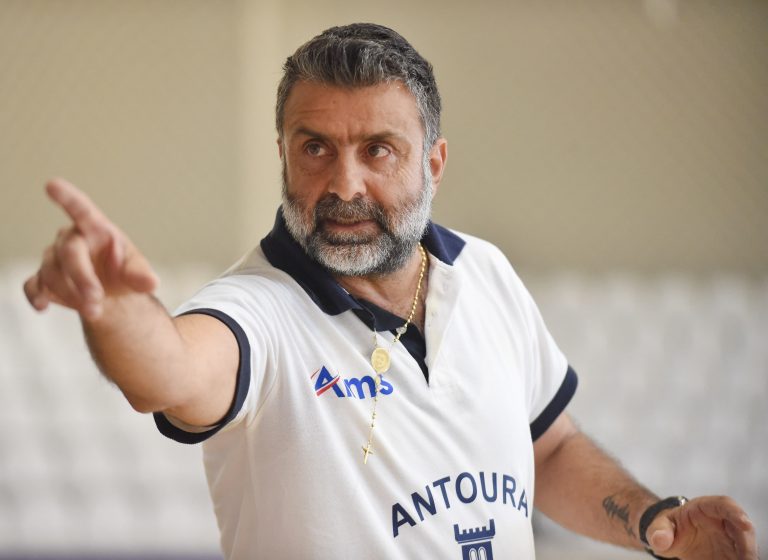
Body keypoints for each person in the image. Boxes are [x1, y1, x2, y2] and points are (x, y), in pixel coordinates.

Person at [24, 23, 757, 560]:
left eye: (378, 150)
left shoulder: (485, 273)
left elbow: (550, 449)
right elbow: (170, 373)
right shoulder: (258, 308)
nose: (344, 184)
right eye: (315, 148)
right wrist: (111, 309)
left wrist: (654, 521)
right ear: (283, 155)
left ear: (433, 163)